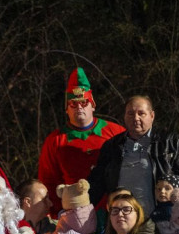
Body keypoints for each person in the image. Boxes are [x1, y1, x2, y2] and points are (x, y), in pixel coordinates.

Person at [37, 68, 125, 215]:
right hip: (74, 214)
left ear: (93, 105)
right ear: (67, 108)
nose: (79, 107)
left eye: (84, 102)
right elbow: (49, 183)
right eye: (73, 103)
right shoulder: (55, 141)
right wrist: (59, 213)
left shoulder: (116, 132)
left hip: (114, 212)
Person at [88, 96, 179, 213]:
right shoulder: (112, 146)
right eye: (130, 113)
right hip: (122, 218)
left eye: (141, 113)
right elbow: (97, 183)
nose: (136, 118)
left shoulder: (173, 143)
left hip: (161, 219)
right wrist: (79, 208)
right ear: (124, 116)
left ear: (152, 116)